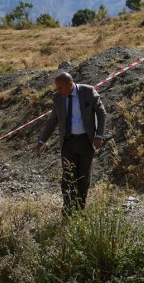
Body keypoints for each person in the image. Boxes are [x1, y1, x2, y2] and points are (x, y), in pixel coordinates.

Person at [34, 72, 107, 215]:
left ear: (70, 84)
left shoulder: (88, 91)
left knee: (83, 177)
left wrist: (98, 135)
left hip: (87, 142)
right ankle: (68, 208)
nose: (58, 91)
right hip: (68, 143)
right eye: (57, 88)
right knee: (68, 177)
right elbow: (53, 120)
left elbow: (101, 113)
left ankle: (80, 209)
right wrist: (42, 140)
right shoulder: (58, 98)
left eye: (60, 88)